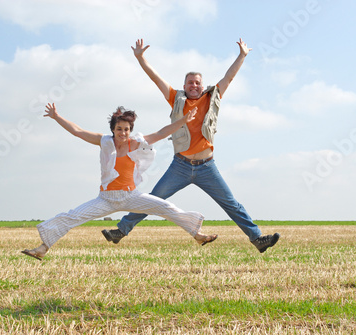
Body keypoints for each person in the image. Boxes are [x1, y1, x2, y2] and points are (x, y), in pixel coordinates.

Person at [102, 38, 280, 253]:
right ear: (184, 86)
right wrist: (141, 58)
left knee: (231, 204)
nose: (194, 86)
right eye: (190, 83)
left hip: (207, 167)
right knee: (153, 200)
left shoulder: (212, 97)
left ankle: (258, 239)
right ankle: (120, 231)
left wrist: (242, 55)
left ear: (202, 86)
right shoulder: (175, 98)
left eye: (197, 82)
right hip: (181, 166)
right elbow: (155, 78)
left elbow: (229, 78)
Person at [21, 103, 217, 261]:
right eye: (119, 129)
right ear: (113, 130)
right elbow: (78, 131)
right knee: (73, 216)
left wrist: (183, 120)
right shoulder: (104, 141)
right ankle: (43, 248)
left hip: (131, 196)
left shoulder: (137, 143)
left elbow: (161, 133)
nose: (122, 133)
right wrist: (57, 117)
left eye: (126, 129)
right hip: (106, 199)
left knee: (166, 207)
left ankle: (197, 234)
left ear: (130, 130)